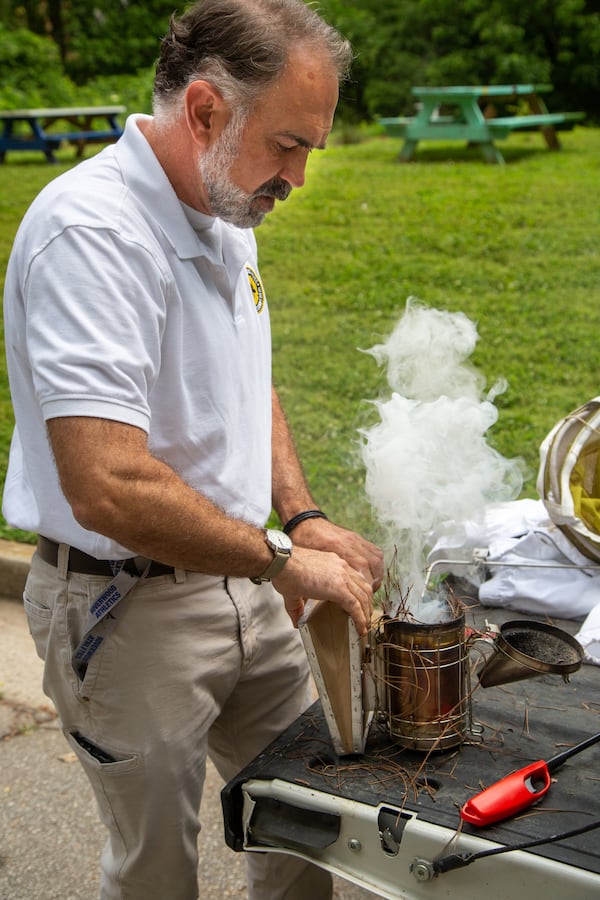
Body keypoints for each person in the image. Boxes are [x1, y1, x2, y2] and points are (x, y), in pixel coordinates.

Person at [2, 1, 383, 898]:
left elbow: (254, 383)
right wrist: (282, 557)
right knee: (157, 873)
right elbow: (105, 485)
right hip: (125, 611)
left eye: (309, 152)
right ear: (206, 110)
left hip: (245, 584)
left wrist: (305, 517)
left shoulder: (225, 204)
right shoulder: (93, 231)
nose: (296, 177)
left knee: (305, 828)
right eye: (287, 145)